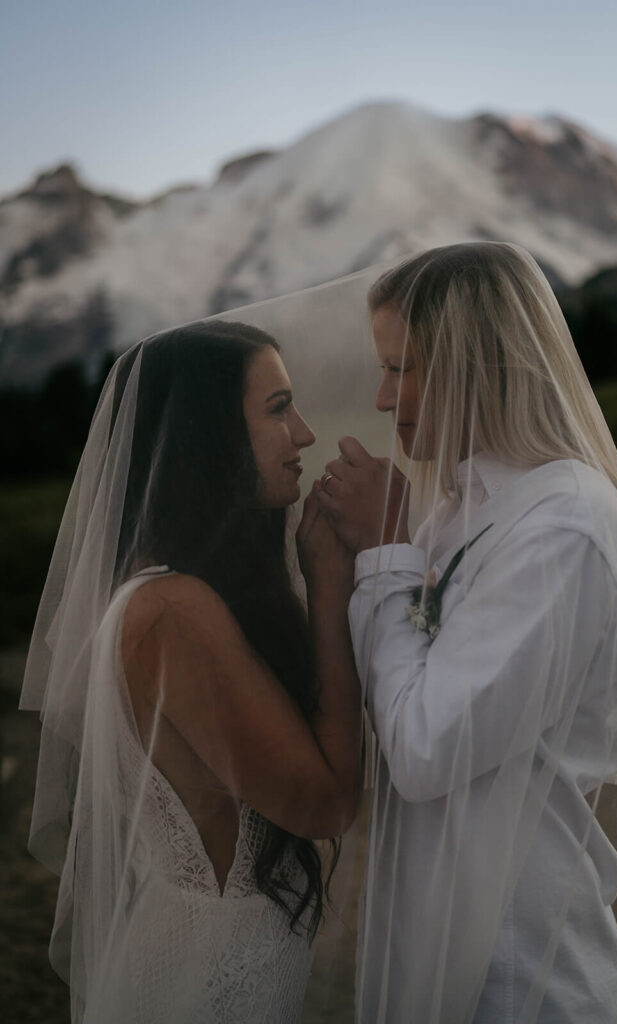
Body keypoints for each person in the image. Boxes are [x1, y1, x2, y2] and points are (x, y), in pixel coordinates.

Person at [315, 243, 617, 1023]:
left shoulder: (565, 528)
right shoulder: (460, 507)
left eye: (401, 369)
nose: (381, 399)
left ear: (477, 363)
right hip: (439, 929)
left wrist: (385, 554)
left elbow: (421, 745)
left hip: (518, 968)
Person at [20, 319, 362, 1024]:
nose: (302, 433)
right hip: (208, 982)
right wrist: (330, 590)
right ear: (207, 438)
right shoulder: (173, 610)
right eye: (276, 409)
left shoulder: (180, 595)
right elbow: (323, 805)